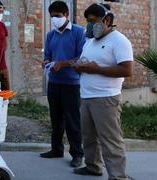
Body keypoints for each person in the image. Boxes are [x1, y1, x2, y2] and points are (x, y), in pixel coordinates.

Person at [72, 3, 133, 180]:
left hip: (106, 98)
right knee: (89, 137)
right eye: (88, 22)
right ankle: (93, 167)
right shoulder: (90, 41)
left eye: (93, 21)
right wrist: (79, 67)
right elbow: (86, 62)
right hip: (86, 96)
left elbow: (127, 70)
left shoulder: (119, 41)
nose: (90, 26)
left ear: (106, 20)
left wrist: (95, 69)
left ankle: (118, 176)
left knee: (110, 140)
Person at [40, 0, 85, 168]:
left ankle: (77, 154)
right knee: (56, 118)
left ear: (66, 15)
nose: (54, 19)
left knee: (73, 120)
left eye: (57, 16)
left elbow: (82, 59)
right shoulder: (50, 35)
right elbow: (49, 55)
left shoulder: (79, 32)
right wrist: (46, 62)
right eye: (52, 17)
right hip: (54, 82)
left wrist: (63, 63)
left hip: (72, 83)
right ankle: (56, 149)